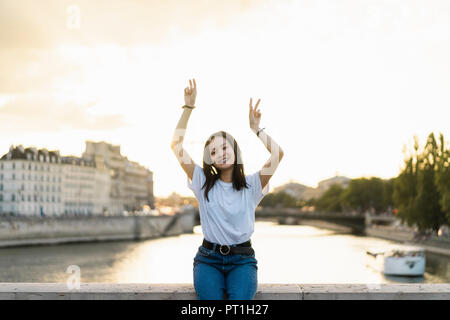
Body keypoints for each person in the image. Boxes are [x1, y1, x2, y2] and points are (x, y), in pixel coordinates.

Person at [170, 78, 284, 300]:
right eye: (213, 152)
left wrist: (257, 129)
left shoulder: (253, 185)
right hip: (208, 260)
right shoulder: (201, 181)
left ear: (235, 150)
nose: (220, 153)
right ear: (209, 160)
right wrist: (188, 108)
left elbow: (277, 155)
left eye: (224, 147)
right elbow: (176, 145)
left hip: (242, 261)